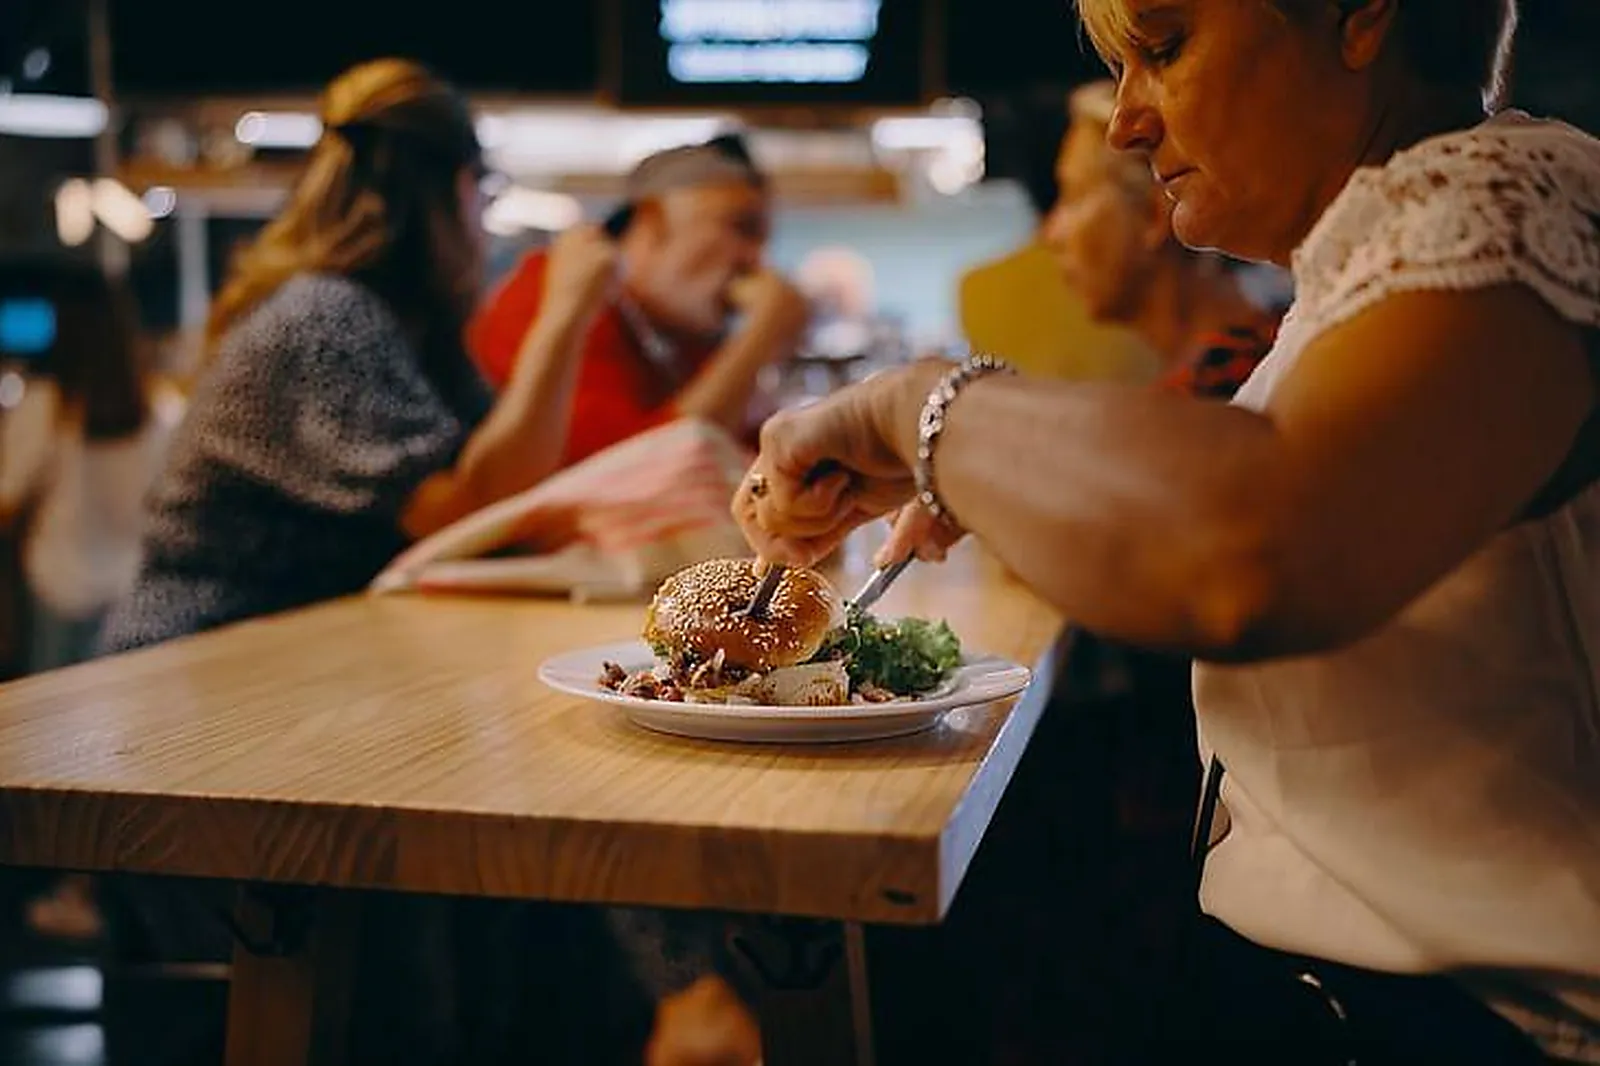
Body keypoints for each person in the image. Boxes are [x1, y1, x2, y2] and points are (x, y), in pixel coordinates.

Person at [734, 0, 1600, 1062]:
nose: (1124, 123)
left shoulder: (1513, 193)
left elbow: (1248, 545)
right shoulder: (1347, 302)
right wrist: (977, 468)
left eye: (1164, 48)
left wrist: (914, 406)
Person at [92, 57, 725, 1066]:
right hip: (205, 691)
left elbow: (508, 497)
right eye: (481, 197)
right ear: (443, 193)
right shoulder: (322, 319)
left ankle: (674, 997)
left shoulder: (398, 328)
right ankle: (687, 1001)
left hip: (307, 681)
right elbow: (471, 499)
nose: (485, 225)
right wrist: (563, 309)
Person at [467, 133, 809, 478]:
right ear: (653, 223)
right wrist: (759, 337)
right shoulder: (554, 291)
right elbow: (628, 478)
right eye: (742, 229)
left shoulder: (679, 327)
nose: (755, 261)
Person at [1044, 79, 1278, 399]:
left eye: (1073, 196)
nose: (1051, 234)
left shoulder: (1220, 391)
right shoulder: (1264, 349)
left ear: (1153, 216)